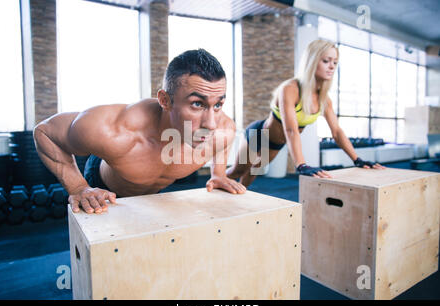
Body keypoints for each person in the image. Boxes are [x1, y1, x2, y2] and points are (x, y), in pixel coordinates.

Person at [34, 49, 246, 214]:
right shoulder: (111, 130)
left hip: (154, 193)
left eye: (218, 105)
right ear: (165, 100)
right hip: (105, 185)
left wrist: (218, 173)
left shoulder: (223, 129)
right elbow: (45, 132)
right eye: (197, 104)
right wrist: (78, 187)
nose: (210, 123)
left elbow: (222, 141)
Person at [226, 39, 384, 187]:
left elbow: (336, 132)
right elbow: (291, 129)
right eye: (326, 61)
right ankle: (213, 185)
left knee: (255, 171)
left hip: (276, 143)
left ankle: (237, 197)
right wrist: (301, 164)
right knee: (238, 171)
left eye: (335, 62)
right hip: (259, 134)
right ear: (312, 61)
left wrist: (357, 159)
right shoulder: (291, 89)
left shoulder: (324, 100)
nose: (332, 66)